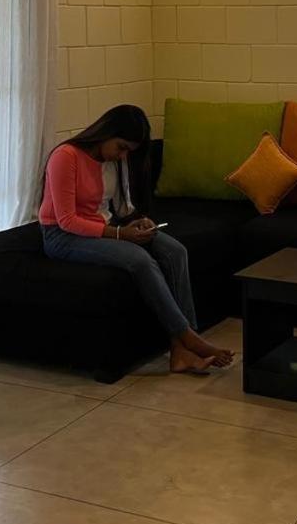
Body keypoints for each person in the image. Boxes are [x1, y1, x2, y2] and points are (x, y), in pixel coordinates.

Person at [39, 104, 234, 374]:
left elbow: (120, 210)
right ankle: (188, 336)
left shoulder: (115, 161)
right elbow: (67, 220)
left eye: (127, 151)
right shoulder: (65, 156)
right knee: (140, 259)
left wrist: (138, 223)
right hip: (63, 237)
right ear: (106, 132)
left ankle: (180, 352)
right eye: (121, 147)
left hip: (103, 227)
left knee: (175, 251)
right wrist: (120, 234)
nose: (122, 155)